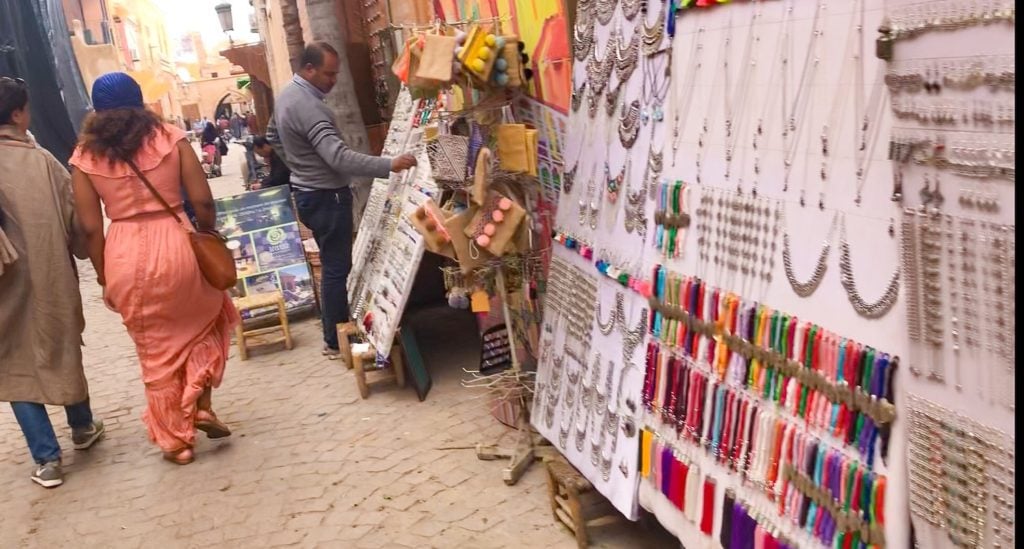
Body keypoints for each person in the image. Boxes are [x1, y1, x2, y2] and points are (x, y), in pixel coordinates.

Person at [69, 72, 239, 466]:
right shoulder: (171, 137)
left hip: (125, 251)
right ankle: (199, 404)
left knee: (155, 350)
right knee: (208, 319)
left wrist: (102, 273)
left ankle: (176, 442)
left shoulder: (84, 157)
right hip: (178, 241)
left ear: (97, 111)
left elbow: (91, 227)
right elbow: (202, 200)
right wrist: (207, 235)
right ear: (140, 102)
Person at [274, 42, 416, 359]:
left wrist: (301, 165)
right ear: (308, 69)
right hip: (325, 195)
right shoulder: (309, 107)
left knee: (333, 265)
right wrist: (388, 164)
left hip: (309, 192)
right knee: (337, 268)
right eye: (328, 73)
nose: (333, 80)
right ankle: (336, 339)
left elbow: (274, 136)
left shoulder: (287, 96)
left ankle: (332, 332)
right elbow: (338, 158)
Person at [0, 76, 105, 488]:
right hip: (49, 277)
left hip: (4, 284)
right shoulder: (41, 161)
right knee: (60, 343)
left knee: (14, 361)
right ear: (17, 114)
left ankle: (47, 459)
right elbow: (75, 218)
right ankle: (81, 426)